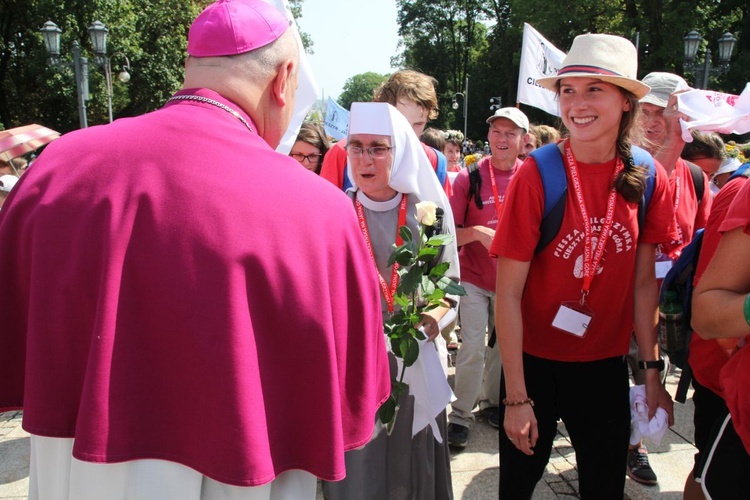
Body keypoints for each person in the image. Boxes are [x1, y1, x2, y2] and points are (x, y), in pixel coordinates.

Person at [0, 1, 390, 498]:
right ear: (283, 78)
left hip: (78, 466)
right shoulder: (320, 210)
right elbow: (353, 382)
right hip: (247, 469)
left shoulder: (58, 167)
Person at [491, 34, 677, 498]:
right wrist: (516, 398)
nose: (577, 103)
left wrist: (652, 373)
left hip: (602, 366)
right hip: (533, 364)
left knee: (603, 488)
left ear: (626, 102)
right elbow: (508, 293)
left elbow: (642, 287)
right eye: (568, 90)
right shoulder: (539, 172)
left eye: (594, 88)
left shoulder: (650, 176)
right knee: (517, 487)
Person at [323, 102, 458, 500]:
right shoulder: (334, 211)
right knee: (360, 459)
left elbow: (447, 284)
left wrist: (432, 317)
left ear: (399, 151)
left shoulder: (428, 213)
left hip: (413, 353)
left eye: (378, 148)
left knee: (412, 457)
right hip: (354, 357)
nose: (365, 159)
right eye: (357, 147)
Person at [625, 71, 713, 485]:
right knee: (630, 375)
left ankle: (631, 440)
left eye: (670, 111)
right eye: (649, 110)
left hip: (667, 306)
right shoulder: (624, 174)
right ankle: (629, 447)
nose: (656, 119)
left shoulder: (696, 179)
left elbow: (704, 246)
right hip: (619, 300)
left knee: (649, 376)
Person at [446, 107, 530, 448]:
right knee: (472, 348)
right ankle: (460, 415)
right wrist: (479, 232)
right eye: (497, 131)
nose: (502, 139)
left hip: (515, 280)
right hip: (474, 277)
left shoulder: (532, 176)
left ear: (525, 140)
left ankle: (494, 403)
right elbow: (448, 232)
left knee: (503, 347)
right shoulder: (471, 176)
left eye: (511, 133)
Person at [683, 157, 748, 499]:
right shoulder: (741, 190)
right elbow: (708, 305)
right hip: (723, 376)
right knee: (706, 468)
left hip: (725, 372)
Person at [319, 69, 452, 196]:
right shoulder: (343, 153)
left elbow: (442, 216)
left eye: (418, 124)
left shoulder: (435, 161)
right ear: (382, 113)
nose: (409, 133)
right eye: (401, 122)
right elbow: (326, 209)